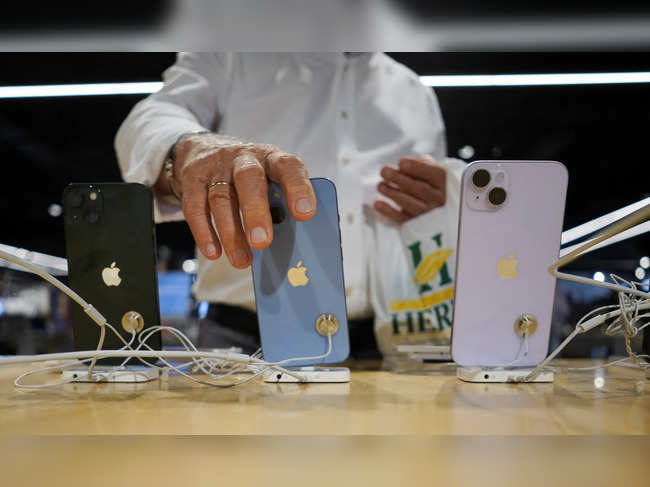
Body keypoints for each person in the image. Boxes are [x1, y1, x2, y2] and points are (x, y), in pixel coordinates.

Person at [115, 53, 447, 357]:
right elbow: (154, 114)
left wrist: (444, 207)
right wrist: (187, 147)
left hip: (380, 341)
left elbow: (434, 221)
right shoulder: (235, 53)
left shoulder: (415, 91)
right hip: (242, 339)